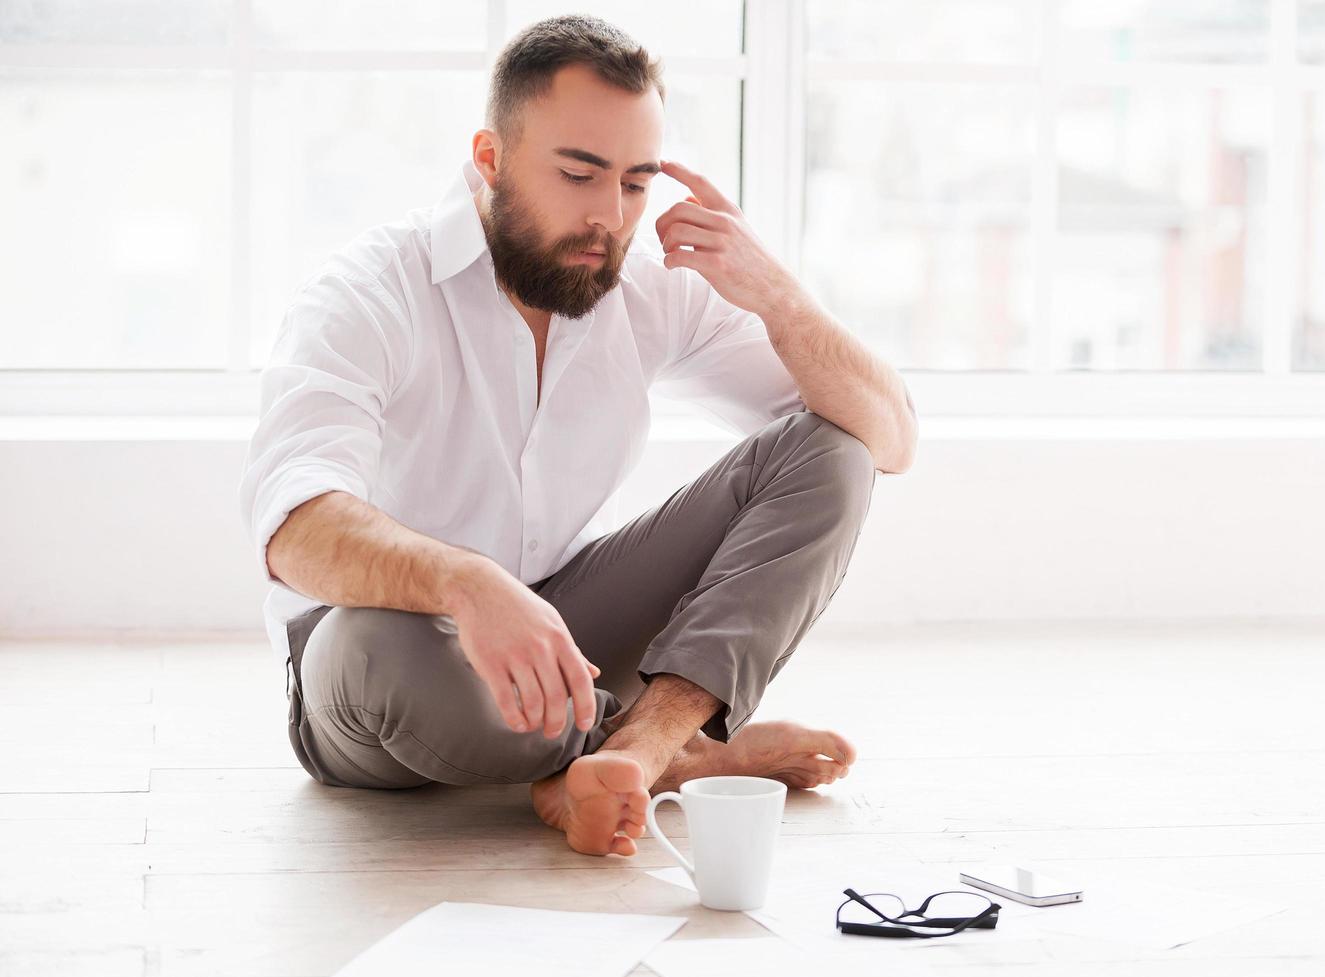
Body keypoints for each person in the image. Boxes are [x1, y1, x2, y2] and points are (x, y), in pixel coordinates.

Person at [238, 14, 917, 858]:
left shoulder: (644, 282)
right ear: (489, 160)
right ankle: (690, 754)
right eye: (578, 173)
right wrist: (466, 585)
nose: (609, 216)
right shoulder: (368, 291)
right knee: (380, 645)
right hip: (375, 663)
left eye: (635, 183)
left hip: (561, 629)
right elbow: (296, 529)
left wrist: (776, 296)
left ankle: (639, 748)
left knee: (832, 449)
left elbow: (887, 439)